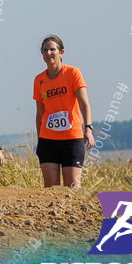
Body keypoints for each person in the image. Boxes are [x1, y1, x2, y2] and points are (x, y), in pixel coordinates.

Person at [34, 34, 94, 188]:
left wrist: (88, 129)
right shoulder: (39, 80)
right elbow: (40, 113)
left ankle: (73, 213)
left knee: (73, 187)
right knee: (51, 188)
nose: (48, 53)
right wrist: (40, 139)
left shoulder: (73, 73)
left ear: (61, 52)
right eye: (45, 50)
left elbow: (84, 104)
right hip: (48, 139)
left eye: (52, 49)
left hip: (72, 138)